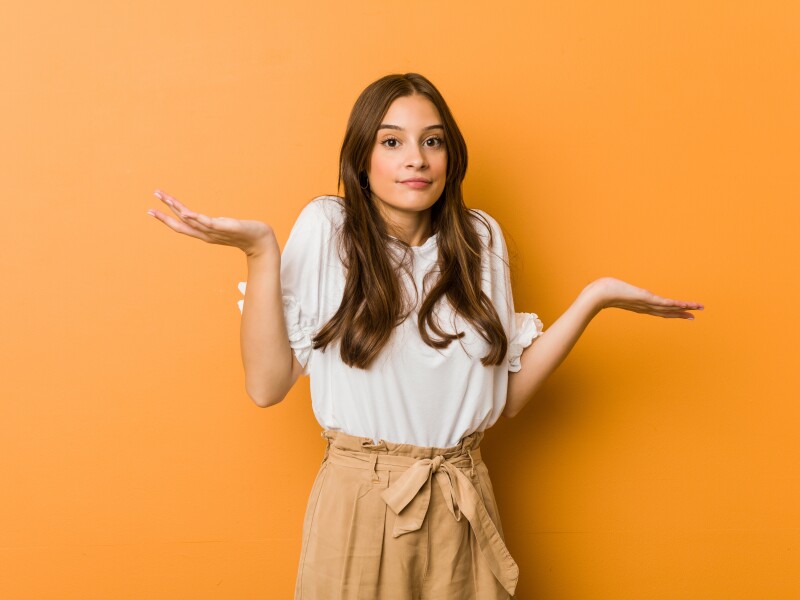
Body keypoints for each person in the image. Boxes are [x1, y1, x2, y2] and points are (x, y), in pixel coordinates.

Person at [147, 73, 703, 600]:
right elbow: (267, 386)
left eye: (432, 141)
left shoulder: (479, 239)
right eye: (392, 142)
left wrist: (594, 298)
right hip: (361, 498)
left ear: (451, 156)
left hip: (462, 496)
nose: (416, 158)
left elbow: (504, 400)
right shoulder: (328, 228)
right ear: (362, 159)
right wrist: (260, 250)